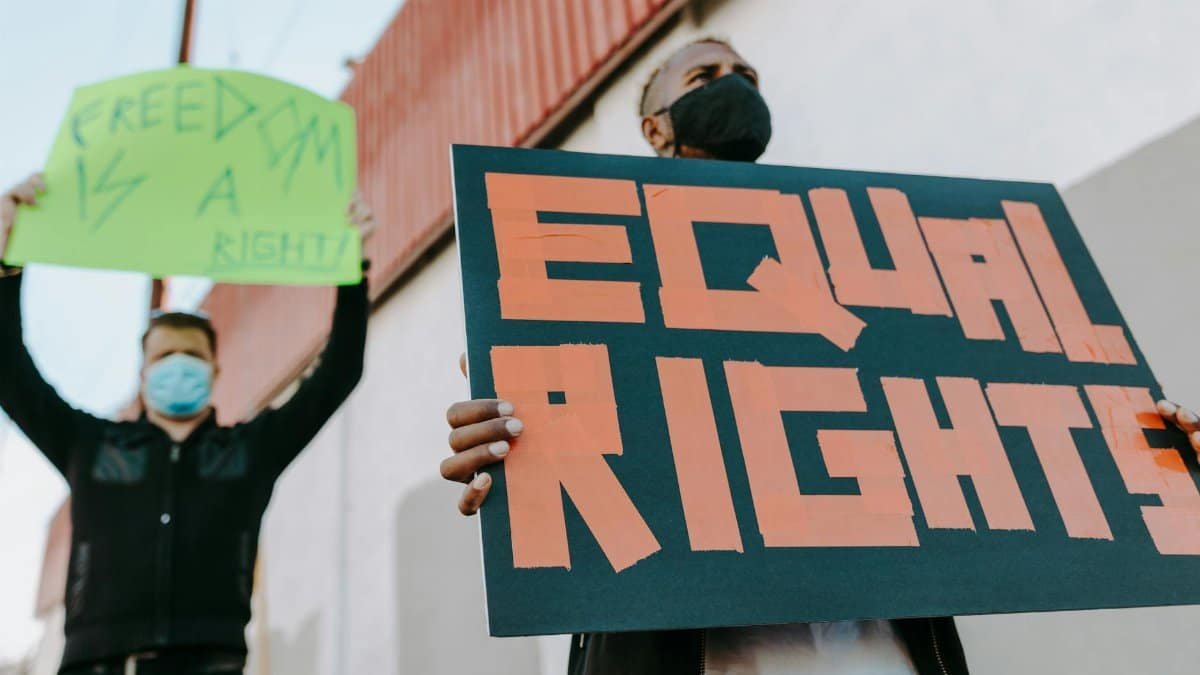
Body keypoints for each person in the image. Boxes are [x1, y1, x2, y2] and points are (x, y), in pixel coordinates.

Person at [439, 38, 1200, 675]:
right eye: (705, 78)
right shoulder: (574, 280)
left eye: (747, 77)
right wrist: (509, 449)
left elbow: (984, 408)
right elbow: (547, 425)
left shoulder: (850, 262)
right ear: (654, 128)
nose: (735, 88)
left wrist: (1149, 460)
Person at [0, 173, 373, 675]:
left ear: (215, 369)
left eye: (191, 355)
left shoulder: (250, 449)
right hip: (94, 662)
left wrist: (352, 271)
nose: (178, 364)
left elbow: (338, 372)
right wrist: (7, 263)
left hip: (208, 662)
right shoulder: (89, 445)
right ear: (144, 373)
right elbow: (10, 373)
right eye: (165, 355)